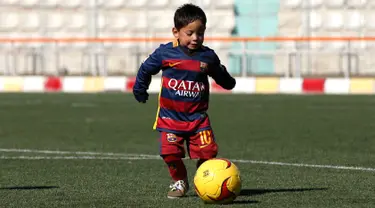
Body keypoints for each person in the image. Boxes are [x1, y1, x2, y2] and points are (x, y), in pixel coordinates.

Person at [133, 3, 236, 199]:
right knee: (169, 153)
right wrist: (140, 89)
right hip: (170, 118)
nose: (195, 38)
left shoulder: (208, 56)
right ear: (176, 32)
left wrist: (228, 81)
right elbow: (146, 69)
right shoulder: (165, 53)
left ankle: (204, 177)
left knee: (208, 153)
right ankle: (179, 181)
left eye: (200, 33)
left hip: (198, 119)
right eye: (190, 33)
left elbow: (221, 76)